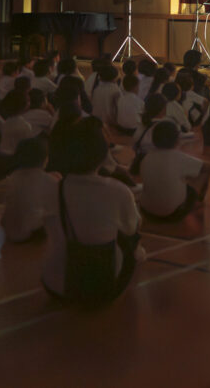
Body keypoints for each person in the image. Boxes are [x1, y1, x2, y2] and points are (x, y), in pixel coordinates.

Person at [40, 118, 141, 305]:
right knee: (131, 242)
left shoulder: (51, 188)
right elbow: (130, 229)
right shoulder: (118, 191)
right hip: (101, 289)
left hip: (54, 284)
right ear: (103, 154)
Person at [139, 121, 208, 220]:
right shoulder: (179, 157)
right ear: (176, 139)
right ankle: (198, 201)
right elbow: (205, 167)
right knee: (202, 174)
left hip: (146, 211)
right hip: (172, 214)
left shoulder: (146, 158)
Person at [2, 138, 57, 243]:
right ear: (45, 159)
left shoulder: (12, 177)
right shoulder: (48, 180)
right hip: (31, 232)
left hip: (9, 230)